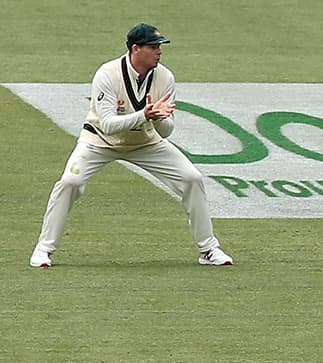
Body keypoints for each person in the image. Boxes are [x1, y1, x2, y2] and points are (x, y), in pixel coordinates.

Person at [29, 23, 232, 268]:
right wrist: (145, 114)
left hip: (145, 143)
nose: (159, 52)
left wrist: (159, 119)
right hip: (99, 141)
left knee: (192, 178)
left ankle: (208, 249)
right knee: (70, 182)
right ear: (136, 49)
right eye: (153, 47)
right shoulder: (107, 74)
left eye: (160, 47)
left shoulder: (165, 77)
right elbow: (108, 124)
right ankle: (44, 249)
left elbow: (167, 131)